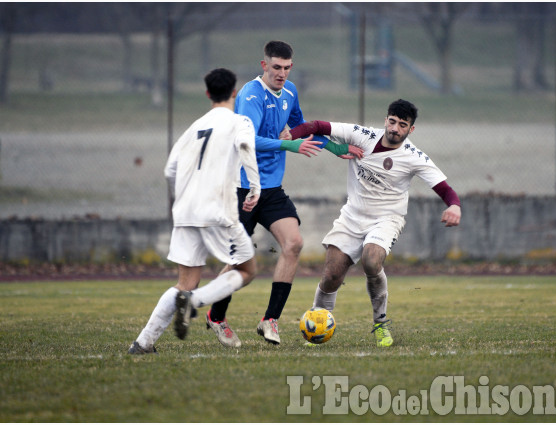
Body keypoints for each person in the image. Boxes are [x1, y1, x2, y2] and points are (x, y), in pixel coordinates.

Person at [206, 40, 363, 347]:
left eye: (287, 68)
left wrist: (335, 148)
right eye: (275, 67)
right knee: (240, 259)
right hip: (242, 187)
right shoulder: (251, 95)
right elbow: (248, 141)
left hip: (272, 189)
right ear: (263, 65)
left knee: (293, 244)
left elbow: (299, 128)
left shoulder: (289, 92)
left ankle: (270, 320)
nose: (281, 74)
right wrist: (288, 145)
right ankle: (216, 315)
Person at [289, 99, 462, 347]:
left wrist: (454, 205)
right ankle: (317, 323)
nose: (395, 129)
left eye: (402, 125)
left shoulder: (414, 157)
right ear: (385, 120)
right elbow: (315, 126)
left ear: (410, 129)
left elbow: (445, 189)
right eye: (392, 122)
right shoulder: (363, 135)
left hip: (387, 219)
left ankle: (380, 324)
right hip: (352, 217)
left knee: (371, 259)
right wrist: (286, 138)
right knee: (331, 275)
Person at [127, 68, 261, 354]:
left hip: (186, 212)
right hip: (218, 210)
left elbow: (170, 170)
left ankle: (143, 343)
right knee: (247, 270)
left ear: (207, 94)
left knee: (185, 282)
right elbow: (247, 146)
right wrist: (255, 188)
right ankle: (195, 302)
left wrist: (185, 199)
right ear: (234, 93)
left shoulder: (194, 127)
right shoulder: (240, 121)